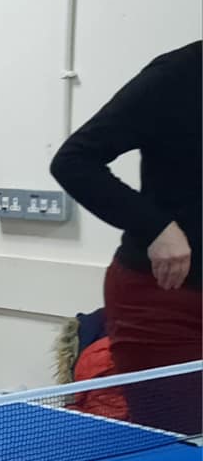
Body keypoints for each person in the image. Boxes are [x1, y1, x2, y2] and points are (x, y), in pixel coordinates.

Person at [50, 39, 201, 435]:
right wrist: (155, 227)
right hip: (167, 307)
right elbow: (74, 160)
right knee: (182, 454)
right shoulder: (178, 74)